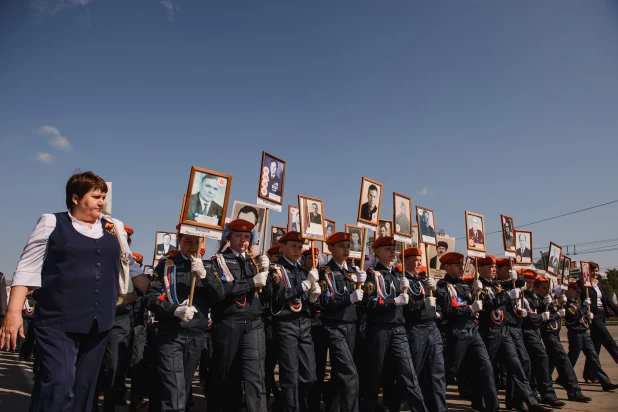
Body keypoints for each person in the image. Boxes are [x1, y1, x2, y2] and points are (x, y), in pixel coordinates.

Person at [0, 171, 147, 412]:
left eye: (103, 197)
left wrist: (160, 285)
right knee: (58, 384)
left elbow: (129, 266)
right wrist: (13, 312)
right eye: (96, 196)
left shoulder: (114, 227)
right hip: (57, 322)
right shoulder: (52, 222)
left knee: (84, 390)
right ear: (76, 198)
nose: (102, 202)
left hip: (99, 323)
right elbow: (27, 268)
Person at [144, 226, 224, 412]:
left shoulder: (209, 267)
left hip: (196, 335)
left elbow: (220, 296)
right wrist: (174, 310)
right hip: (170, 334)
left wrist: (205, 277)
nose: (193, 246)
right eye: (188, 241)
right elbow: (150, 298)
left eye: (197, 242)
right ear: (179, 240)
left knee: (183, 389)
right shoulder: (166, 265)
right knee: (175, 392)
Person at [205, 219, 271, 412]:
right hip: (229, 323)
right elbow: (218, 292)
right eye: (239, 236)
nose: (243, 241)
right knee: (225, 376)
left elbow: (267, 297)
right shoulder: (218, 261)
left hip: (254, 324)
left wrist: (265, 271)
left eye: (247, 237)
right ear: (229, 237)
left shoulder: (255, 262)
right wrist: (251, 283)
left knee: (256, 377)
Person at [360, 236, 427, 412]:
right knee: (375, 375)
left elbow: (409, 305)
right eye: (388, 249)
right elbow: (368, 303)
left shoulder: (400, 275)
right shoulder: (372, 275)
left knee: (409, 373)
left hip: (398, 329)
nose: (393, 252)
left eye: (394, 248)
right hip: (379, 328)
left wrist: (414, 293)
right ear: (377, 252)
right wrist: (394, 301)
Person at [475, 256, 548, 412]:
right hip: (489, 331)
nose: (494, 269)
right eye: (491, 267)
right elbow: (487, 305)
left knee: (517, 365)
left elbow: (519, 284)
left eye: (495, 267)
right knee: (486, 368)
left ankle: (531, 401)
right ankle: (478, 399)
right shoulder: (479, 286)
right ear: (480, 269)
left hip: (504, 330)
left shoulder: (497, 285)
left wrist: (517, 277)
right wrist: (507, 296)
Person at [434, 252, 499, 412]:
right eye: (457, 265)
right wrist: (469, 308)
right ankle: (436, 406)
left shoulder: (464, 285)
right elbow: (447, 310)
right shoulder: (442, 286)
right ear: (447, 267)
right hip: (456, 332)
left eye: (462, 265)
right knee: (450, 371)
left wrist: (478, 295)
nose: (461, 268)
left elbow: (477, 305)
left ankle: (493, 407)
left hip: (473, 331)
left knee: (486, 367)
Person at [269, 231, 320, 412]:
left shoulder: (302, 270)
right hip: (286, 324)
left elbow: (306, 301)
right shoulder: (276, 269)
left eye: (300, 247)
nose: (297, 250)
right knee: (290, 376)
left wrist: (313, 298)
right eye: (293, 246)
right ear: (282, 247)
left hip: (304, 324)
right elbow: (280, 296)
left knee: (309, 376)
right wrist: (305, 285)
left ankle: (289, 405)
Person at [315, 232, 365, 412]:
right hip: (334, 326)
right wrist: (349, 299)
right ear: (330, 249)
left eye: (348, 246)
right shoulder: (324, 272)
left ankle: (333, 406)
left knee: (339, 374)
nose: (346, 249)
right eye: (341, 246)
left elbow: (362, 302)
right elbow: (325, 302)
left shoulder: (353, 272)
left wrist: (363, 287)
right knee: (350, 373)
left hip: (351, 324)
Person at [398, 247, 447, 412]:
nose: (419, 262)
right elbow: (404, 307)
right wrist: (421, 304)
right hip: (415, 327)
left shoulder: (424, 280)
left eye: (420, 259)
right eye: (416, 259)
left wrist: (437, 289)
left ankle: (440, 408)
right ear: (406, 260)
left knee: (437, 371)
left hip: (432, 327)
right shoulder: (402, 280)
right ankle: (398, 401)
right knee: (414, 371)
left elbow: (442, 300)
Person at [532, 276, 591, 402]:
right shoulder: (536, 301)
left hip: (554, 333)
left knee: (551, 363)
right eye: (543, 288)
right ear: (535, 288)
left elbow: (560, 312)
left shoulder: (550, 300)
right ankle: (571, 390)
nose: (546, 290)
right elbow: (537, 316)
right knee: (561, 360)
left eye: (548, 287)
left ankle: (547, 390)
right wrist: (544, 305)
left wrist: (560, 304)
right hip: (545, 333)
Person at [520, 269, 565, 408]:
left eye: (531, 282)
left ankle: (536, 394)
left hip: (535, 332)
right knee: (540, 359)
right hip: (526, 332)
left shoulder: (532, 296)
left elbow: (540, 313)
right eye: (526, 282)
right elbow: (530, 317)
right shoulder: (520, 296)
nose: (528, 284)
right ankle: (546, 394)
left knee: (534, 364)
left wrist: (549, 304)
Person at [564, 281, 618, 391]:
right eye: (573, 289)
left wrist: (586, 313)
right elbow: (574, 314)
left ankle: (604, 382)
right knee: (572, 358)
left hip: (589, 328)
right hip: (580, 331)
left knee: (594, 356)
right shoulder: (569, 302)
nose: (575, 291)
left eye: (575, 289)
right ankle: (563, 376)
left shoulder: (595, 287)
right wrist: (584, 307)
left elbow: (607, 301)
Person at [581, 262, 618, 382]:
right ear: (588, 272)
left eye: (597, 270)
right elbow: (577, 297)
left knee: (595, 347)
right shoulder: (584, 285)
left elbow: (608, 301)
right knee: (610, 343)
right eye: (593, 270)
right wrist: (584, 307)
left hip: (602, 316)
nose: (595, 273)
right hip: (594, 317)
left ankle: (589, 374)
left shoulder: (598, 285)